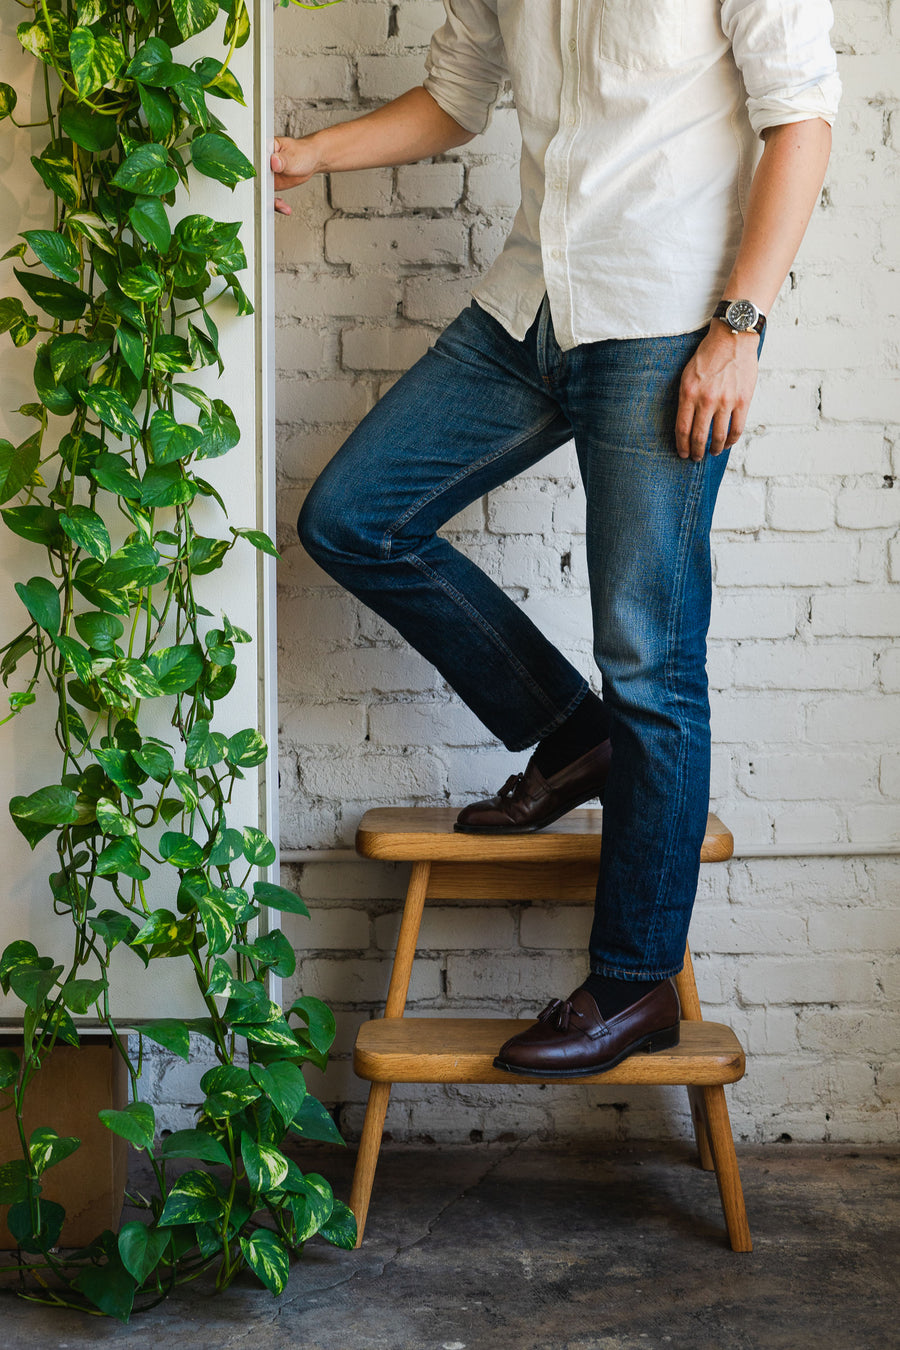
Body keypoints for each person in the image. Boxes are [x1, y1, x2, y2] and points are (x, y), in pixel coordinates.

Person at [272, 2, 840, 1078]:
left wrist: (741, 329)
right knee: (354, 517)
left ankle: (633, 987)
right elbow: (454, 101)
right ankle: (570, 732)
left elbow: (799, 121)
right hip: (528, 308)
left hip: (667, 319)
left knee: (650, 664)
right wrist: (309, 154)